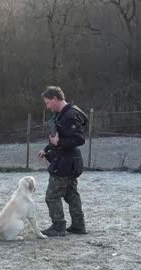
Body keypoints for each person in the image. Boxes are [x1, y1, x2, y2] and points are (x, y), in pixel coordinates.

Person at [38, 86, 88, 236]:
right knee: (71, 194)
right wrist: (47, 149)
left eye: (47, 103)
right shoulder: (62, 114)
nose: (47, 106)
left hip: (65, 163)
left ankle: (58, 226)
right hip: (69, 162)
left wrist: (58, 143)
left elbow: (79, 139)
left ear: (55, 98)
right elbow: (56, 137)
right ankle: (79, 226)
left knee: (52, 196)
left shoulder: (70, 115)